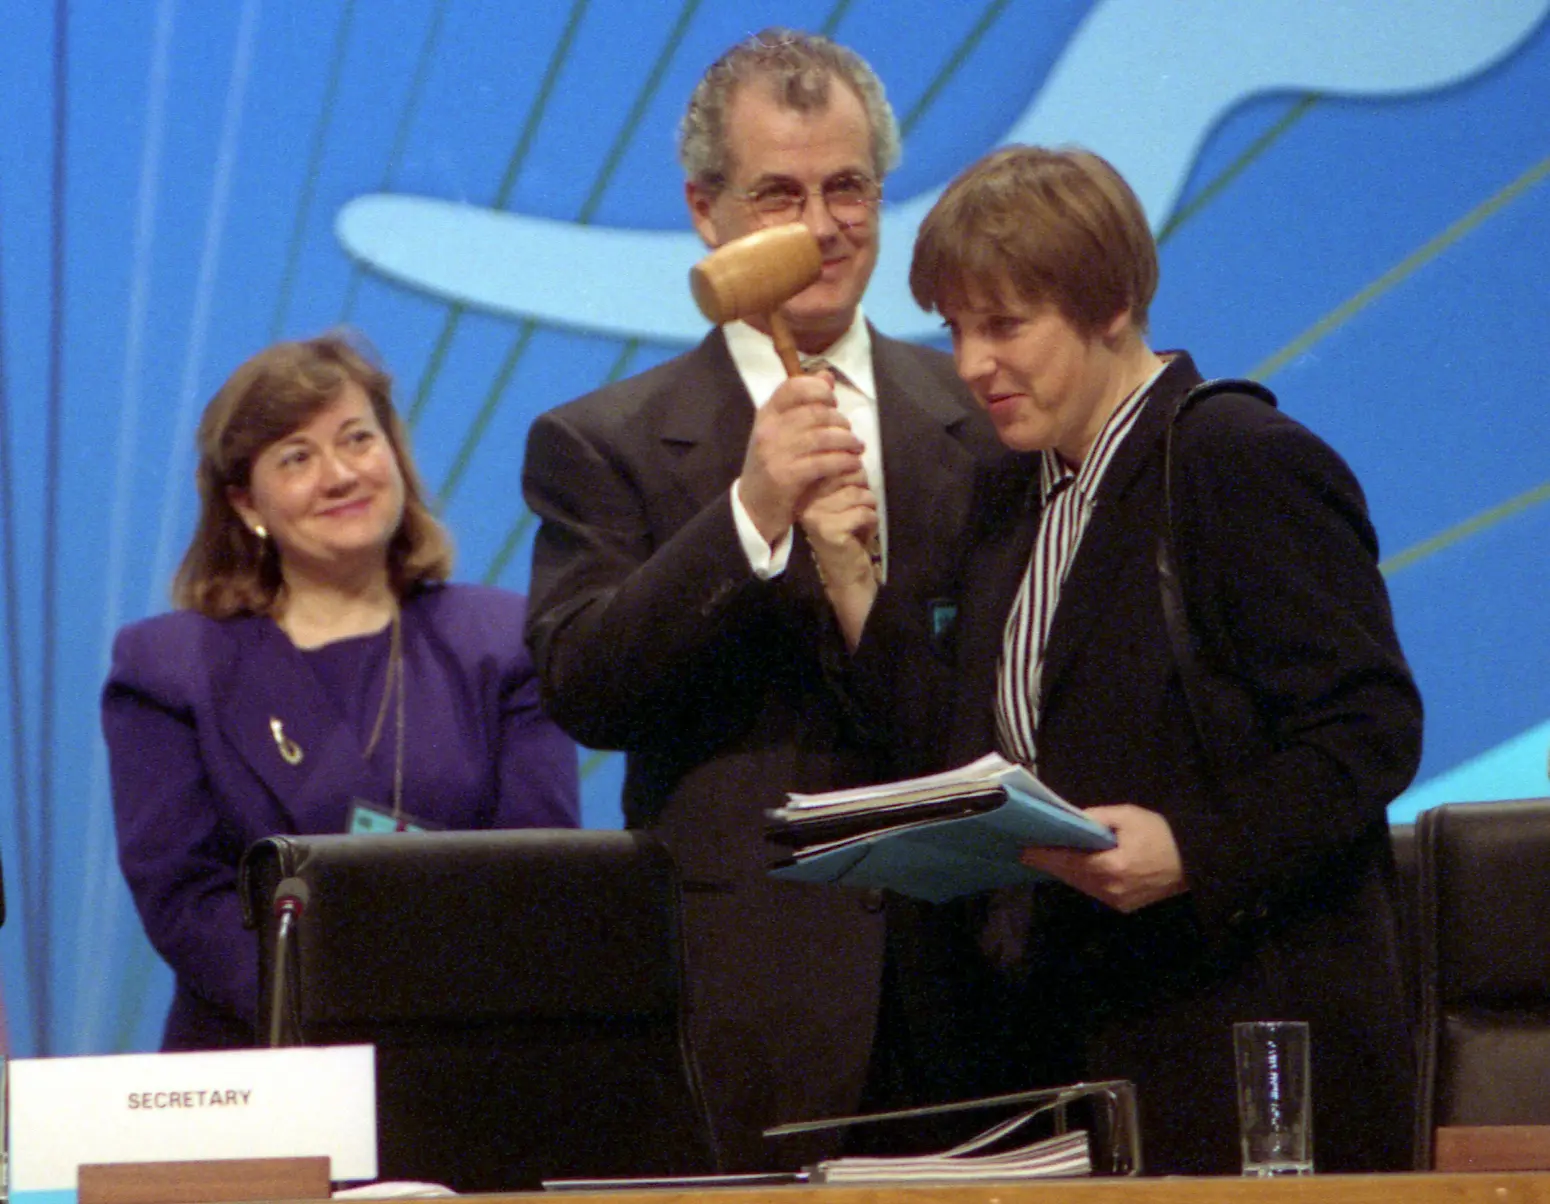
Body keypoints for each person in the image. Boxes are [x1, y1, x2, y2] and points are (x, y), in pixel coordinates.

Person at [807, 146, 1422, 1174]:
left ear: (1111, 304)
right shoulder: (1001, 493)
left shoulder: (1236, 461)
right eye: (955, 328)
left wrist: (1193, 846)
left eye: (1004, 326)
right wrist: (843, 574)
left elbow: (1367, 731)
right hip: (1060, 1068)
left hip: (1231, 1053)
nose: (969, 365)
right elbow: (953, 735)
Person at [522, 29, 1007, 1171]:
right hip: (750, 996)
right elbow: (583, 684)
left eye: (847, 188)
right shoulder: (607, 444)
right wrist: (746, 514)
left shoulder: (984, 418)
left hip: (976, 985)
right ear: (705, 211)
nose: (823, 227)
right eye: (777, 194)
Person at [104, 332, 580, 1052]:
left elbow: (539, 876)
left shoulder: (501, 640)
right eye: (296, 457)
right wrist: (333, 1013)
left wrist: (433, 1010)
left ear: (394, 456)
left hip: (465, 1052)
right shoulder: (171, 666)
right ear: (246, 503)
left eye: (357, 439)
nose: (339, 475)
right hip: (263, 1056)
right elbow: (184, 897)